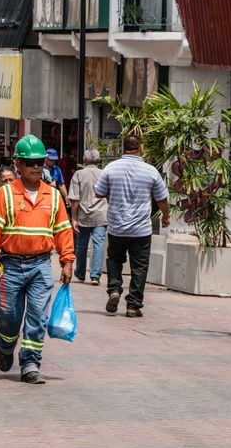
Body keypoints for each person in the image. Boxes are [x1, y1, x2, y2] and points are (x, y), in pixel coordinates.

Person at [0, 134, 74, 384]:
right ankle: (6, 344)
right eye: (30, 162)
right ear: (18, 165)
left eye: (39, 162)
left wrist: (67, 261)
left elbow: (64, 231)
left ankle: (31, 362)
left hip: (41, 265)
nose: (36, 167)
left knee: (37, 316)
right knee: (7, 315)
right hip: (10, 265)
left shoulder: (54, 196)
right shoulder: (6, 194)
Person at [95, 135, 170, 317]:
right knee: (139, 266)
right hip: (140, 230)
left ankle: (114, 289)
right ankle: (133, 305)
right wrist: (166, 216)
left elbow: (98, 192)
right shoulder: (151, 171)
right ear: (140, 148)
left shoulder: (110, 169)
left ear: (124, 148)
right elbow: (162, 199)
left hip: (116, 227)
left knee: (114, 259)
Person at [68, 149, 108, 285]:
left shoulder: (78, 175)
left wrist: (74, 218)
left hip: (83, 215)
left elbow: (74, 199)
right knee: (98, 244)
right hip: (101, 215)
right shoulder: (104, 174)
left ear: (84, 161)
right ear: (98, 161)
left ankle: (80, 272)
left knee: (81, 244)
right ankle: (95, 276)